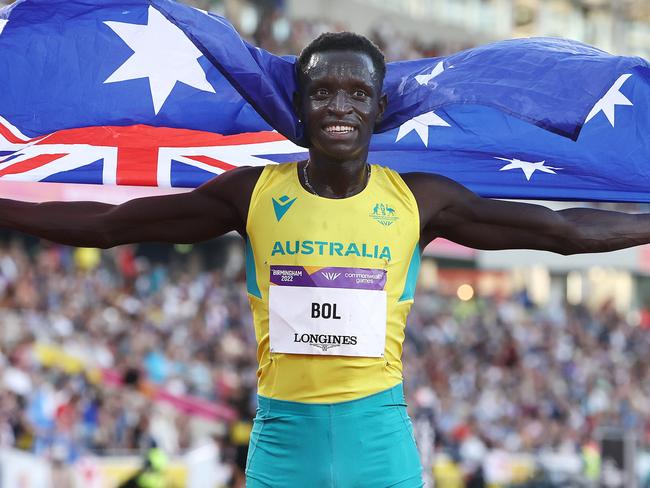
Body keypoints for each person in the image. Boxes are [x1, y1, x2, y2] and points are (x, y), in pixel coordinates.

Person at [1, 31, 650, 487]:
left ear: (378, 108)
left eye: (357, 94)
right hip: (285, 447)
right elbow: (111, 224)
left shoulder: (419, 201)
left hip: (380, 448)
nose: (339, 107)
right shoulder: (253, 193)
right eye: (323, 92)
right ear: (301, 106)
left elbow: (563, 232)